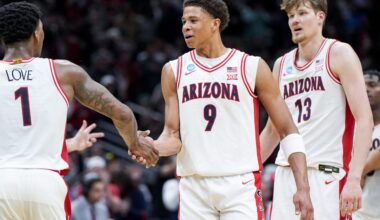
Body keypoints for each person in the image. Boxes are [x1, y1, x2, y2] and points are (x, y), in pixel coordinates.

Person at [133, 0, 313, 219]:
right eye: (183, 21)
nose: (185, 27)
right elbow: (172, 136)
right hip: (193, 186)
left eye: (193, 20)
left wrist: (302, 188)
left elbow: (287, 130)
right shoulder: (173, 70)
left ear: (214, 24)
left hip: (239, 184)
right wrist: (152, 147)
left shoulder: (251, 66)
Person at [0, 2, 158, 220]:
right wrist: (134, 143)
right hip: (45, 184)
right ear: (37, 34)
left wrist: (70, 145)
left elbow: (18, 145)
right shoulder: (64, 72)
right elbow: (122, 113)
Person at [260, 0, 373, 219]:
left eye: (302, 13)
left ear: (320, 17)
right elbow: (273, 131)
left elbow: (364, 119)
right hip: (286, 175)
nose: (295, 20)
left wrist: (354, 178)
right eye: (291, 16)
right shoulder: (281, 65)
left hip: (327, 174)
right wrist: (243, 170)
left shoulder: (339, 53)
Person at [353, 70, 380, 220]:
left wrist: (361, 171)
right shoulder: (348, 129)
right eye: (361, 85)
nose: (365, 89)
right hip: (355, 213)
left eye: (372, 84)